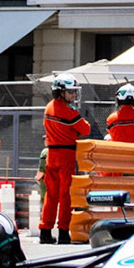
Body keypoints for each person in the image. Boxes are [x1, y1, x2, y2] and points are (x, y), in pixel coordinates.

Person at [39, 75, 91, 244]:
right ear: (60, 92)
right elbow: (85, 129)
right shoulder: (69, 112)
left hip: (51, 154)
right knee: (66, 195)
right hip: (67, 154)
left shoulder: (48, 108)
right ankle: (63, 232)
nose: (74, 95)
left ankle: (45, 231)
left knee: (50, 196)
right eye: (70, 92)